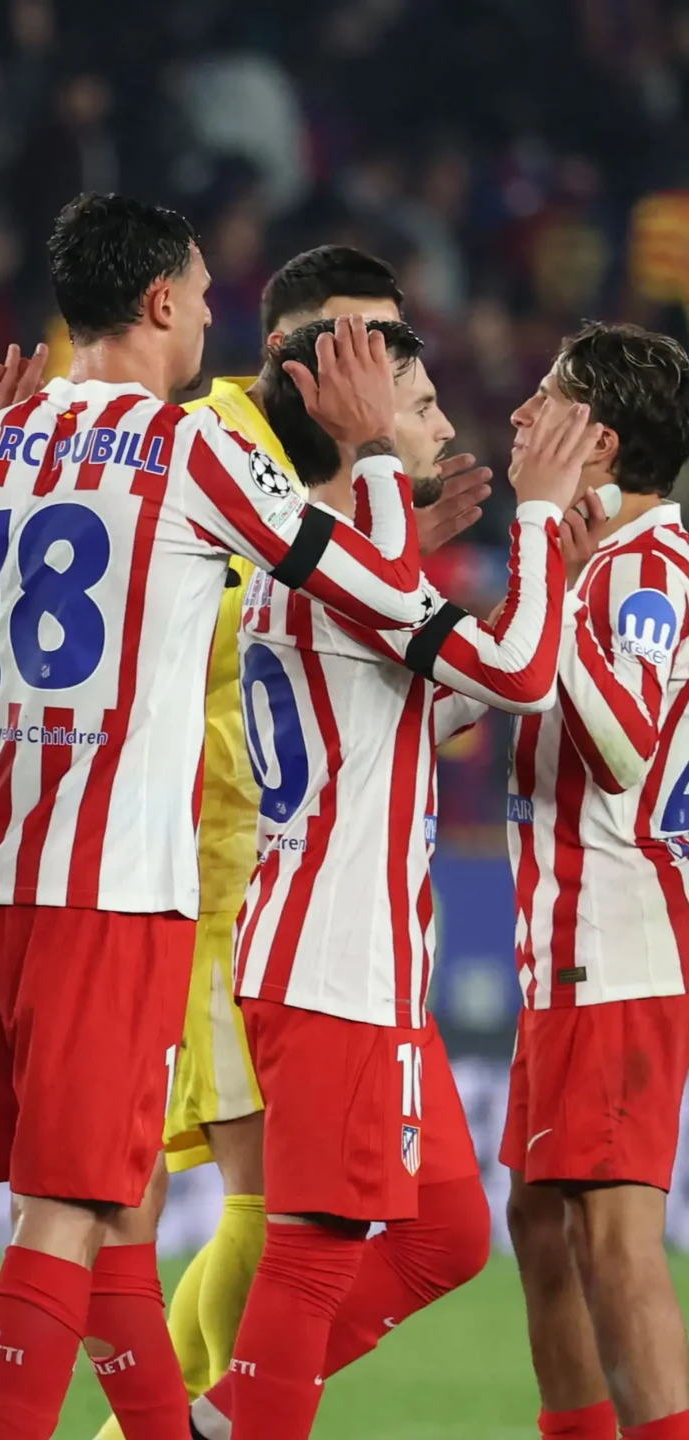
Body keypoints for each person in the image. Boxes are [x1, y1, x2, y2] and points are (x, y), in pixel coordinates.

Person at [0, 195, 448, 1440]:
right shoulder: (192, 449)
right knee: (63, 1218)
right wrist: (379, 456)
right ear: (164, 302)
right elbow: (385, 600)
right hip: (112, 888)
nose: (213, 318)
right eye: (205, 295)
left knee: (114, 1209)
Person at [93, 245, 491, 1440]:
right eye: (361, 347)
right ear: (292, 351)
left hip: (345, 895)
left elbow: (372, 671)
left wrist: (384, 547)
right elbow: (191, 617)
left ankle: (197, 1422)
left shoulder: (341, 491)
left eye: (395, 350)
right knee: (277, 1223)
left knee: (400, 1230)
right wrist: (363, 565)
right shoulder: (212, 439)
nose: (382, 375)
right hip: (232, 870)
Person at [184, 317, 587, 1440]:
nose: (446, 425)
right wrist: (543, 517)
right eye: (417, 404)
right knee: (311, 1262)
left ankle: (225, 1415)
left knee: (446, 1234)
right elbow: (513, 676)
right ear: (353, 421)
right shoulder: (333, 554)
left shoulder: (312, 560)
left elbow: (425, 711)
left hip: (352, 959)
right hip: (334, 961)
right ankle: (237, 1420)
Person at [497, 323, 689, 1440]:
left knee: (614, 1238)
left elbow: (621, 747)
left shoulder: (644, 572)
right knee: (536, 1219)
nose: (520, 416)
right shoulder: (600, 564)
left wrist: (558, 591)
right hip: (563, 944)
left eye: (545, 401)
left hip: (614, 942)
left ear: (599, 443)